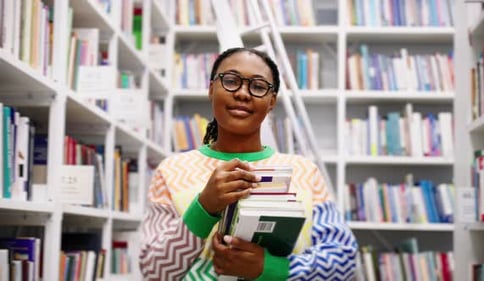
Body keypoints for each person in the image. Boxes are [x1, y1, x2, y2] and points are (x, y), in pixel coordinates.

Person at [139, 47, 358, 280]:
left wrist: (270, 268)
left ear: (272, 100)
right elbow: (154, 271)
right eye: (231, 80)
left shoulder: (304, 172)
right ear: (212, 88)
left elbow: (344, 259)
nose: (243, 93)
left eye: (258, 86)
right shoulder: (172, 171)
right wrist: (204, 206)